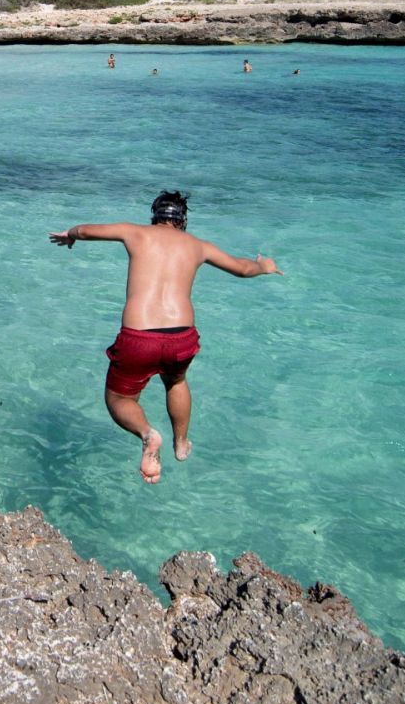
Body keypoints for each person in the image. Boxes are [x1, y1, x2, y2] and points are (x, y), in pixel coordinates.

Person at [50, 190, 281, 484]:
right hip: (182, 337)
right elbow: (243, 268)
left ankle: (148, 435)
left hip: (139, 337)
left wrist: (70, 235)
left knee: (119, 398)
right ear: (182, 220)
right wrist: (266, 266)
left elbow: (85, 230)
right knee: (176, 381)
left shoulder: (135, 232)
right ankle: (181, 443)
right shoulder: (199, 246)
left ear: (155, 216)